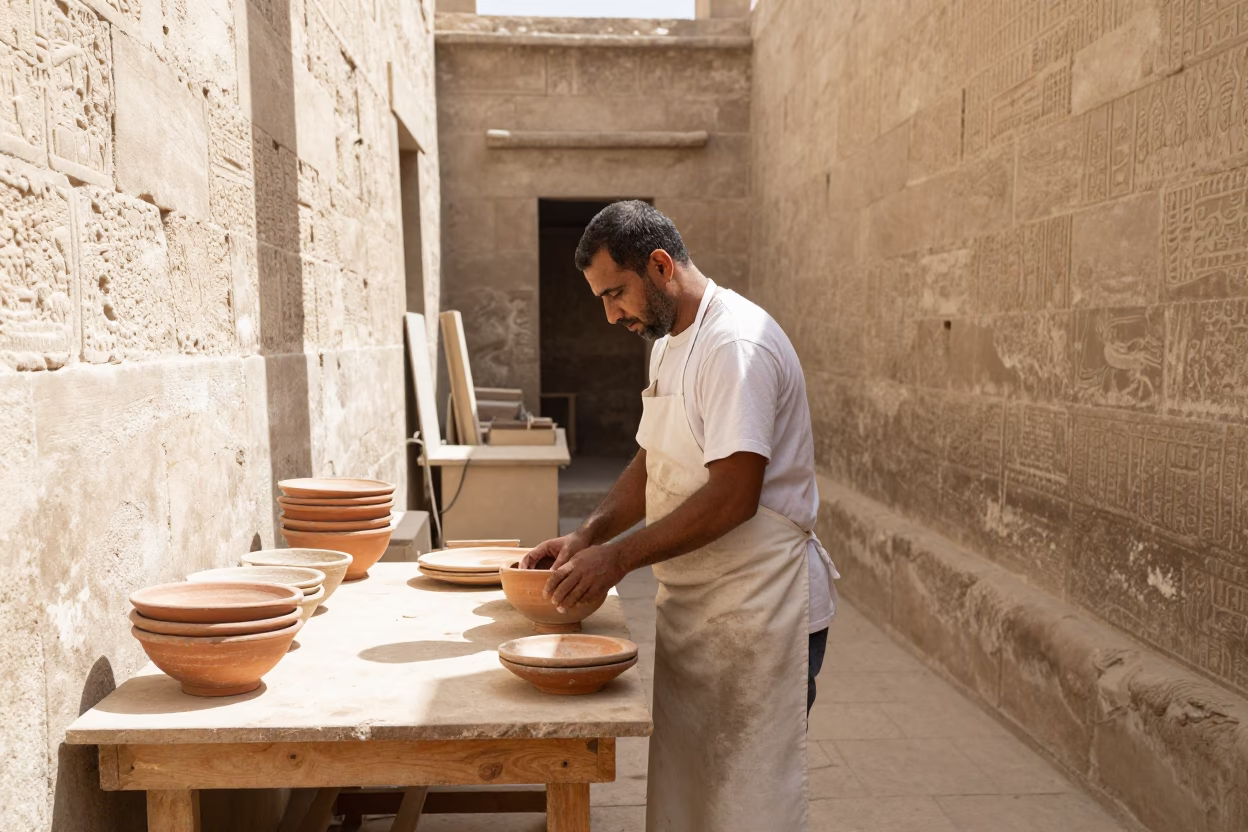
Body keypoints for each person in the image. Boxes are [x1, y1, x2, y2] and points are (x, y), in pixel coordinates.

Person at [521, 201, 838, 831]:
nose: (610, 314)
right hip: (701, 606)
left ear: (660, 266)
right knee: (696, 795)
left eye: (616, 293)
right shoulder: (667, 342)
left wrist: (618, 558)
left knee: (749, 802)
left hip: (762, 609)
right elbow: (654, 456)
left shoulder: (734, 346)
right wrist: (588, 534)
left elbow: (733, 496)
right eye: (601, 299)